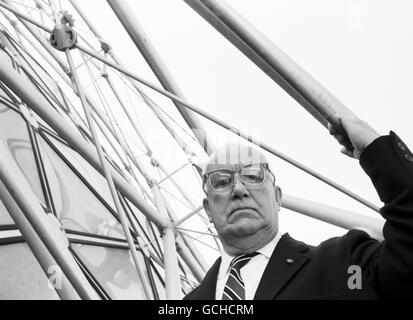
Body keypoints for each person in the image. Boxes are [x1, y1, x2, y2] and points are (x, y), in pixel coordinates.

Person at [183, 114, 413, 300]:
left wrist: (378, 152)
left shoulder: (345, 265)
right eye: (222, 181)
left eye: (253, 175)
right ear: (207, 209)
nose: (239, 189)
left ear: (277, 197)